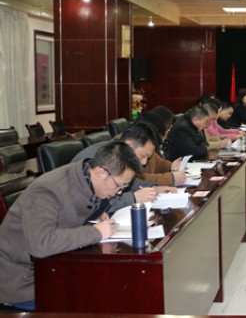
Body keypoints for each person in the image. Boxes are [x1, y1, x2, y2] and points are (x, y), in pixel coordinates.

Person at [0, 141, 142, 310]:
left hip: (55, 269)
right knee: (99, 301)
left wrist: (94, 218)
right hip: (24, 283)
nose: (119, 192)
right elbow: (41, 244)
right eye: (119, 186)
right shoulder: (48, 189)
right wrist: (95, 232)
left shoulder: (87, 180)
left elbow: (68, 218)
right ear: (100, 173)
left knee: (118, 288)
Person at [72, 122, 179, 213]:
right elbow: (95, 203)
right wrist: (134, 198)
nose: (144, 162)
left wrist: (153, 188)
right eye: (143, 156)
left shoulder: (120, 155)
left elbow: (130, 183)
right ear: (129, 144)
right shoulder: (100, 160)